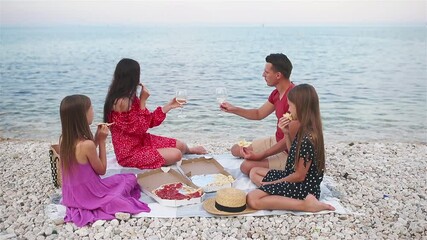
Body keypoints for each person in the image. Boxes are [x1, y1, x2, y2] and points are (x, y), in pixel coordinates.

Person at [59, 95, 150, 227]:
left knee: (124, 180)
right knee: (128, 179)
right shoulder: (87, 145)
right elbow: (101, 170)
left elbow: (84, 155)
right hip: (89, 194)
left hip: (70, 196)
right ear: (82, 116)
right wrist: (101, 141)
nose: (93, 112)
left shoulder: (64, 140)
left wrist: (96, 138)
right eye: (91, 109)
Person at [103, 58, 206, 169]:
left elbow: (148, 122)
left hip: (141, 140)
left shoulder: (130, 96)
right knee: (176, 154)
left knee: (180, 145)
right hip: (129, 153)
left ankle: (189, 150)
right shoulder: (121, 102)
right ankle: (177, 153)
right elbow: (140, 128)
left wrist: (169, 106)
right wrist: (143, 101)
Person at [246, 84, 335, 212]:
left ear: (300, 107)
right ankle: (276, 195)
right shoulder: (304, 128)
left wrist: (274, 184)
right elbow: (293, 155)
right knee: (254, 171)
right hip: (292, 176)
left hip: (303, 187)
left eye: (291, 106)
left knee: (252, 199)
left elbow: (299, 176)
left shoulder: (308, 139)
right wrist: (287, 133)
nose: (289, 111)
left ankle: (306, 205)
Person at [220, 53, 299, 175]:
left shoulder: (295, 97)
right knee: (236, 149)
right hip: (277, 141)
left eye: (266, 72)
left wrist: (260, 155)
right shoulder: (276, 94)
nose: (263, 75)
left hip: (289, 151)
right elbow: (258, 114)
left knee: (246, 167)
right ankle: (261, 161)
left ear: (278, 75)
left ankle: (283, 176)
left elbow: (288, 140)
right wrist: (233, 109)